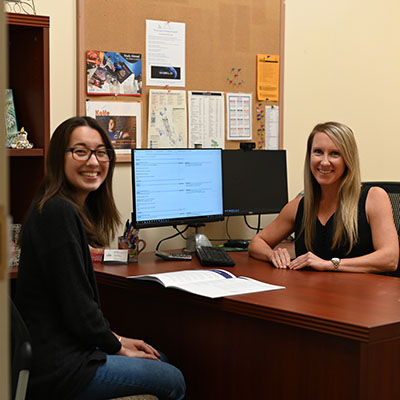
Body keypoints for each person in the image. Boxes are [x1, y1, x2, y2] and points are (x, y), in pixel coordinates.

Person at [15, 116, 186, 400]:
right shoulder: (58, 213)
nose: (93, 162)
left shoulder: (61, 208)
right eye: (80, 151)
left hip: (68, 351)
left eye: (101, 152)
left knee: (158, 356)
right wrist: (118, 346)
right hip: (59, 368)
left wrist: (119, 340)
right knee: (173, 380)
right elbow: (79, 309)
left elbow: (79, 311)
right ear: (60, 157)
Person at [248, 121, 399, 273]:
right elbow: (257, 242)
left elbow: (390, 259)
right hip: (313, 293)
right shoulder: (299, 205)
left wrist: (330, 264)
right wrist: (272, 254)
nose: (324, 162)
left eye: (335, 153)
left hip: (361, 294)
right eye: (318, 152)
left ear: (348, 159)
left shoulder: (374, 198)